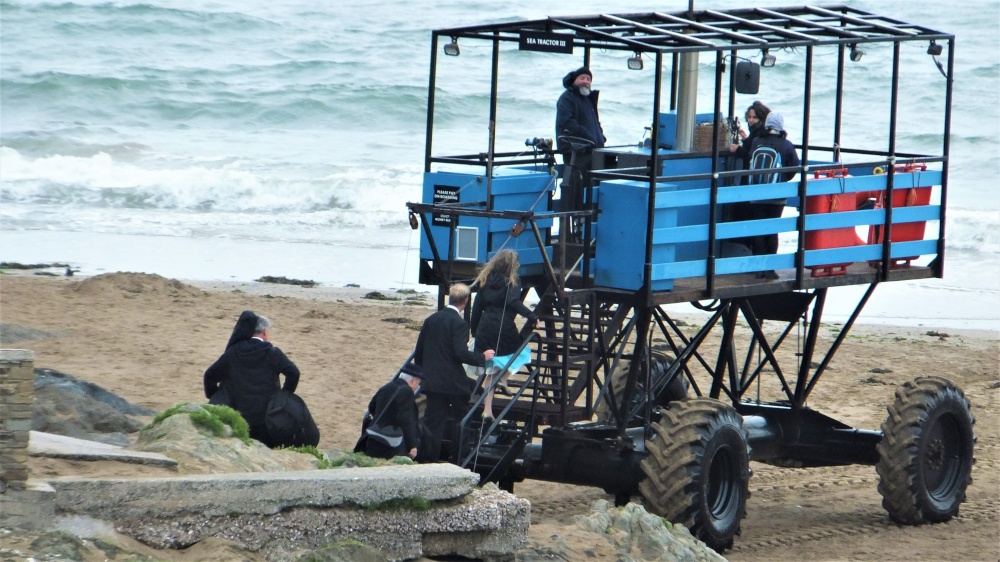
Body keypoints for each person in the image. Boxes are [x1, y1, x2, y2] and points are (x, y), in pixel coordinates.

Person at [413, 283, 495, 462]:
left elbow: (419, 353)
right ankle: (458, 457)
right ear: (465, 301)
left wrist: (424, 372)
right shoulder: (459, 323)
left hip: (432, 381)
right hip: (452, 384)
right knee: (463, 417)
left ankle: (428, 459)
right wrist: (483, 357)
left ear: (451, 299)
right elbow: (460, 353)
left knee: (432, 423)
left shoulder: (431, 320)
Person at [203, 311, 300, 447]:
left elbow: (209, 376)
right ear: (265, 332)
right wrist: (284, 395)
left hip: (240, 417)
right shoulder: (271, 352)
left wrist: (215, 394)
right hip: (268, 418)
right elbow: (294, 373)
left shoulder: (233, 352)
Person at [470, 249, 538, 421]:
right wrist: (531, 315)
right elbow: (513, 302)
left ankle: (487, 409)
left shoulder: (485, 280)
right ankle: (504, 377)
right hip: (503, 325)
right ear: (512, 266)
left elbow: (477, 308)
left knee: (491, 369)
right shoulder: (513, 281)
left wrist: (474, 331)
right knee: (522, 353)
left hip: (485, 325)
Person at [747, 112, 801, 278]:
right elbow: (794, 168)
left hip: (756, 193)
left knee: (759, 229)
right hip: (777, 196)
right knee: (772, 231)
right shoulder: (786, 145)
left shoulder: (757, 141)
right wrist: (782, 180)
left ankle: (758, 269)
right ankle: (770, 270)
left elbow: (749, 160)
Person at [555, 66, 606, 238]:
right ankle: (575, 233)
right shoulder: (567, 99)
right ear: (575, 81)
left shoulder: (589, 100)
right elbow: (567, 124)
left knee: (592, 192)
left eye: (588, 79)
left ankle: (587, 232)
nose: (586, 81)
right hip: (576, 154)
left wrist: (601, 137)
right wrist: (589, 136)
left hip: (593, 153)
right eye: (582, 78)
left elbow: (595, 122)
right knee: (576, 195)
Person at [362, 366, 424, 460]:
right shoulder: (407, 392)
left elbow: (371, 406)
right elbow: (406, 420)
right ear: (414, 380)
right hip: (392, 442)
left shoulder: (386, 387)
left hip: (374, 437)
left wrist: (384, 419)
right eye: (418, 383)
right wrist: (412, 445)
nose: (417, 386)